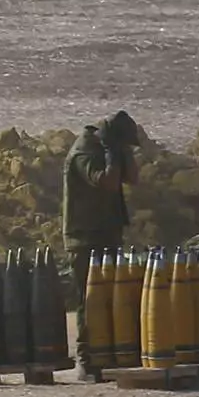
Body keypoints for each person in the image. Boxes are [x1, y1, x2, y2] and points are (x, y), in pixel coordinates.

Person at [62, 110, 142, 373]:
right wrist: (109, 150)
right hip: (84, 238)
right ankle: (87, 360)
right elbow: (106, 181)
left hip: (107, 234)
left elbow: (132, 178)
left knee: (112, 298)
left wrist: (122, 151)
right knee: (90, 298)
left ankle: (108, 355)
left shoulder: (109, 149)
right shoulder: (84, 151)